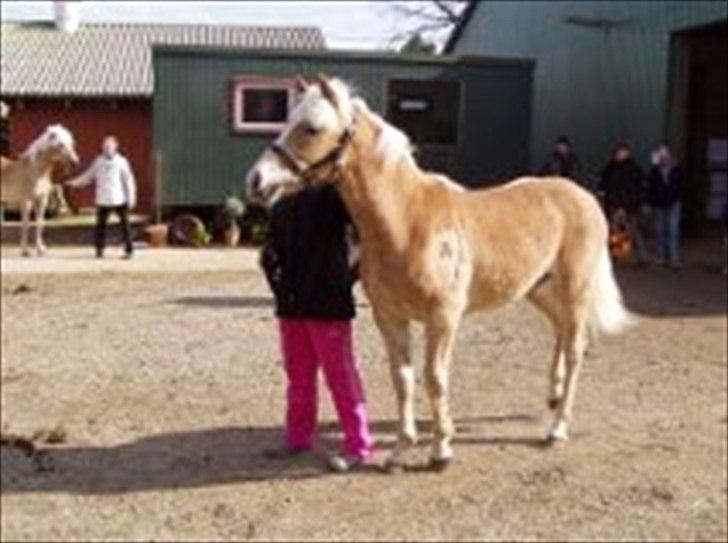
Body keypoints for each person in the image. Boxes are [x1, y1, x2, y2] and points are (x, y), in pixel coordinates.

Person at [260, 184, 373, 473]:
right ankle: (298, 438)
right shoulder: (281, 197)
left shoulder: (334, 193)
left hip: (327, 304)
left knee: (340, 376)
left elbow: (366, 232)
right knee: (298, 376)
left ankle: (358, 445)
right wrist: (277, 281)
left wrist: (345, 279)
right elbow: (271, 246)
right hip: (292, 304)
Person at [65, 136, 136, 258]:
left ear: (115, 147)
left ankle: (129, 250)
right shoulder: (98, 162)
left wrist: (131, 197)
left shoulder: (122, 162)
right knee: (100, 227)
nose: (107, 149)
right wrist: (73, 183)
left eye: (109, 146)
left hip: (119, 198)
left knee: (125, 226)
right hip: (103, 199)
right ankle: (99, 250)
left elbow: (128, 180)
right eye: (105, 147)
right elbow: (88, 176)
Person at [598, 142, 648, 265]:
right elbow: (604, 184)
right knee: (617, 232)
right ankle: (618, 255)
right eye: (617, 153)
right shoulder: (610, 167)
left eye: (621, 152)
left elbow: (640, 188)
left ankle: (641, 257)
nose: (619, 155)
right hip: (615, 204)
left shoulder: (634, 169)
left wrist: (635, 203)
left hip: (631, 206)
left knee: (633, 231)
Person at [648, 144, 685, 268]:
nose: (663, 156)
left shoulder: (677, 169)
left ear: (670, 154)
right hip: (659, 203)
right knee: (660, 230)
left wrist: (676, 197)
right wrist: (650, 201)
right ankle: (661, 257)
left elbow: (681, 185)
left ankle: (674, 258)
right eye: (661, 153)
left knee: (673, 231)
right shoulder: (655, 170)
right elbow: (651, 187)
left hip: (674, 203)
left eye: (665, 153)